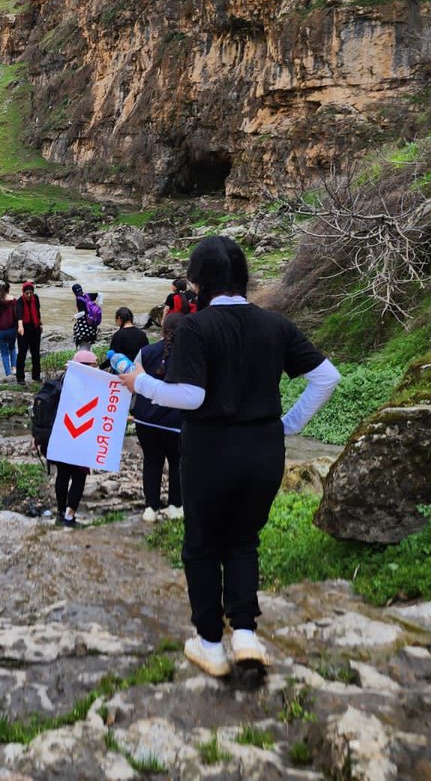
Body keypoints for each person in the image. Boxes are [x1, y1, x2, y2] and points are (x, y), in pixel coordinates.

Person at [118, 237, 340, 679]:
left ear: (197, 283)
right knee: (243, 540)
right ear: (244, 278)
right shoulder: (275, 324)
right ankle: (244, 635)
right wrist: (287, 424)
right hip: (263, 452)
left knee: (201, 545)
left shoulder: (196, 328)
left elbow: (189, 395)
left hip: (211, 452)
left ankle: (210, 644)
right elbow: (326, 377)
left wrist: (136, 382)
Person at [133, 312, 184, 523]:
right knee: (177, 462)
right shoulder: (190, 355)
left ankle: (150, 509)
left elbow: (135, 383)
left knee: (151, 463)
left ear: (162, 330)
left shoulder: (144, 352)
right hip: (176, 423)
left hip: (146, 420)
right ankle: (175, 506)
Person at [44, 349, 98, 527]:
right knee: (79, 476)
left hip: (59, 436)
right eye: (94, 366)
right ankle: (69, 516)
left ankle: (60, 511)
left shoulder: (61, 379)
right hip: (78, 437)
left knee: (63, 474)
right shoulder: (89, 385)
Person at [15, 280, 43, 386]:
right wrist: (20, 327)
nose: (29, 295)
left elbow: (37, 311)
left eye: (31, 293)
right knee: (22, 353)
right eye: (27, 293)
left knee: (36, 353)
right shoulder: (19, 301)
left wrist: (40, 324)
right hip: (24, 330)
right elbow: (19, 315)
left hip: (35, 329)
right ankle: (20, 378)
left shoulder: (35, 298)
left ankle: (36, 376)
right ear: (23, 293)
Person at [0, 282, 19, 378]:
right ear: (8, 290)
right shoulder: (14, 301)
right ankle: (14, 368)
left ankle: (8, 374)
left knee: (4, 353)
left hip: (0, 331)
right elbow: (16, 315)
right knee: (12, 348)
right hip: (11, 329)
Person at [71, 282, 98, 351]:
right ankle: (89, 354)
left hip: (84, 322)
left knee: (82, 339)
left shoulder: (78, 299)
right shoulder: (87, 295)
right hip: (92, 321)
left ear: (74, 292)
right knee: (89, 341)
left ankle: (83, 355)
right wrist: (100, 305)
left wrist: (75, 316)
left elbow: (82, 313)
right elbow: (100, 294)